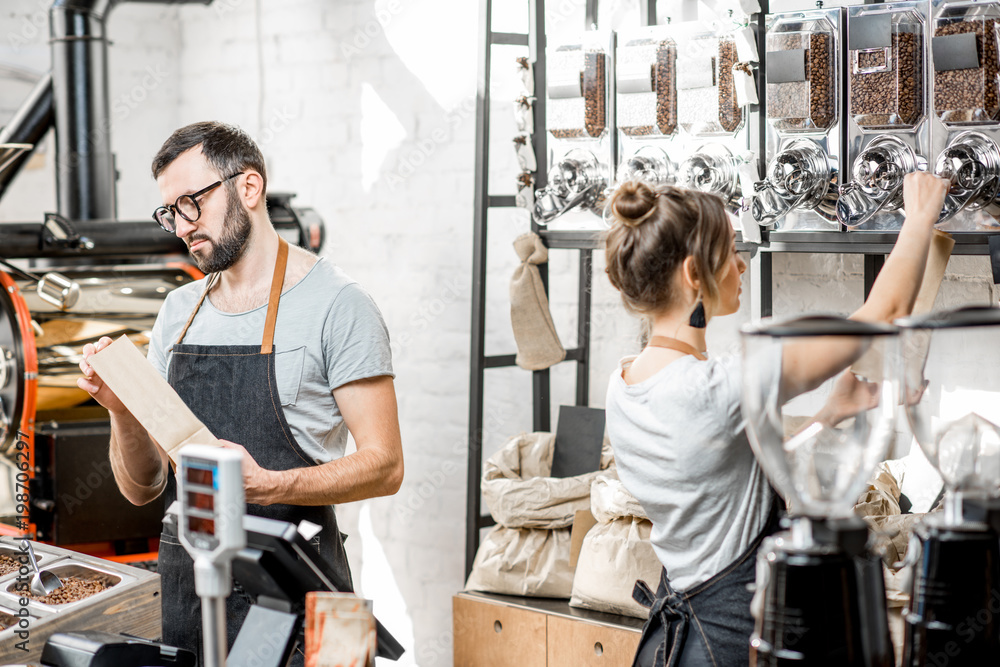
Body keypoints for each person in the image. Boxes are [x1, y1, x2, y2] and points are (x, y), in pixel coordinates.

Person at [77, 121, 403, 664]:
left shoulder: (338, 304)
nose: (180, 227)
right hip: (190, 584)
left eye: (191, 204)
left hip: (303, 595)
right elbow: (143, 488)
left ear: (248, 188)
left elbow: (386, 465)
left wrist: (270, 485)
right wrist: (121, 411)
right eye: (169, 212)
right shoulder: (178, 313)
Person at [602, 172, 950, 667]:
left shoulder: (625, 383)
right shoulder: (718, 386)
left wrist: (830, 413)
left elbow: (724, 480)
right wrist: (919, 216)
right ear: (693, 276)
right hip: (730, 644)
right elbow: (884, 312)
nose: (741, 265)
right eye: (728, 251)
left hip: (674, 643)